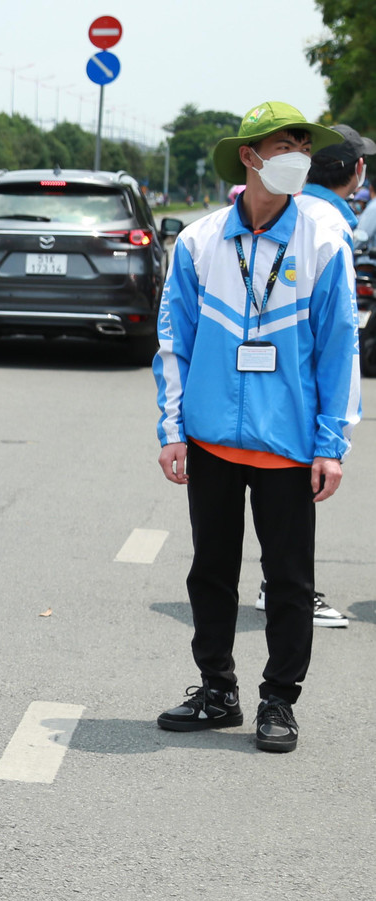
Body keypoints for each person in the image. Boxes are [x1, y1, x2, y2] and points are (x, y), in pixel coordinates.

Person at [153, 101, 360, 753]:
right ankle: (217, 691)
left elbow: (338, 349)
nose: (298, 155)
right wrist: (171, 429)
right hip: (211, 440)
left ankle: (279, 702)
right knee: (210, 572)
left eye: (304, 144)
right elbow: (173, 340)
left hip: (288, 446)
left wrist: (332, 445)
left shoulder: (323, 239)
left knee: (289, 580)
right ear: (249, 158)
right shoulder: (200, 241)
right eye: (283, 146)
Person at [249, 123, 376, 628]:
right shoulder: (331, 223)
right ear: (358, 171)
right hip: (291, 380)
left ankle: (278, 583)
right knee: (294, 490)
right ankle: (283, 588)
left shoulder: (301, 206)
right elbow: (336, 330)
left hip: (262, 371)